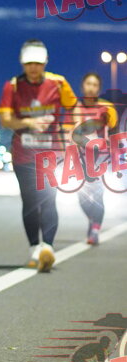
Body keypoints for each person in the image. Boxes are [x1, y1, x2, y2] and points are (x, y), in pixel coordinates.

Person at [0, 40, 77, 272]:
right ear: (22, 63)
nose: (33, 68)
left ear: (45, 62)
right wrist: (29, 122)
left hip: (51, 152)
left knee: (49, 198)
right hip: (23, 154)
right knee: (30, 201)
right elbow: (5, 120)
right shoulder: (12, 86)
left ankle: (48, 247)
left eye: (38, 63)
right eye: (29, 63)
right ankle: (34, 248)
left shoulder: (59, 83)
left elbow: (73, 107)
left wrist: (70, 130)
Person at [70, 72, 117, 245]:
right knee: (81, 196)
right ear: (82, 86)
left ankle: (95, 229)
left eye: (95, 85)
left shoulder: (106, 108)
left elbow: (114, 130)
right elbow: (76, 131)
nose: (91, 87)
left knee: (98, 195)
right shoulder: (77, 108)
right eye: (88, 84)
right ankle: (92, 219)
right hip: (81, 157)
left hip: (101, 158)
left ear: (99, 88)